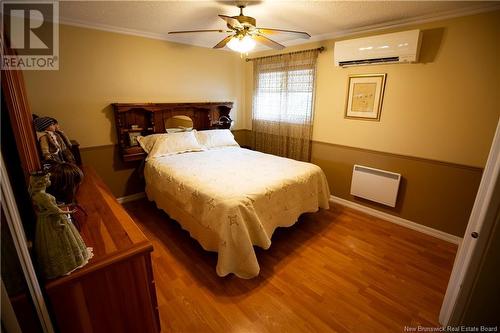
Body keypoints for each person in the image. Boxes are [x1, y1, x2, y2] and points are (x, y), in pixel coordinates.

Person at [29, 172, 93, 279]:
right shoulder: (42, 196)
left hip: (46, 220)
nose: (48, 180)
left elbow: (51, 207)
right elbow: (54, 210)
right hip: (52, 219)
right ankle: (66, 263)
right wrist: (69, 212)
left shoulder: (36, 195)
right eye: (46, 179)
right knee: (60, 240)